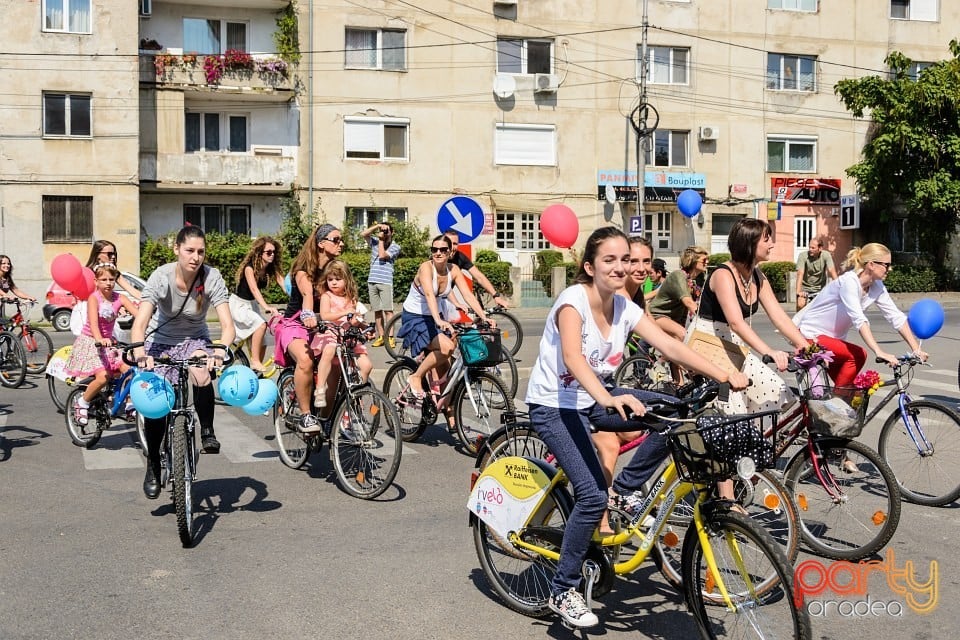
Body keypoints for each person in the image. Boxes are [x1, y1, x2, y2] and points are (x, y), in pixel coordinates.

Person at [524, 226, 748, 629]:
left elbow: (671, 346)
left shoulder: (625, 308)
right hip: (556, 407)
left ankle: (626, 492)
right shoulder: (572, 302)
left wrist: (722, 373)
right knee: (591, 497)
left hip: (595, 397)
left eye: (625, 259)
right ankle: (563, 590)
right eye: (609, 260)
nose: (620, 266)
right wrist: (608, 397)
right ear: (589, 266)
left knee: (676, 412)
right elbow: (574, 359)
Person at [131, 226, 234, 499]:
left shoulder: (211, 277)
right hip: (160, 342)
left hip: (195, 339)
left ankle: (208, 431)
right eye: (190, 250)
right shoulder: (161, 277)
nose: (196, 257)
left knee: (201, 373)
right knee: (157, 407)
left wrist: (219, 351)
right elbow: (140, 322)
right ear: (176, 249)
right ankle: (153, 463)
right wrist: (141, 352)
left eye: (201, 251)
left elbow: (227, 326)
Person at [689, 218, 810, 415]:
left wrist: (806, 346)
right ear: (749, 243)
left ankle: (755, 440)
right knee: (733, 406)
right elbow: (736, 323)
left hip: (733, 345)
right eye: (766, 239)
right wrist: (769, 351)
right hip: (709, 343)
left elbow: (779, 316)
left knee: (776, 391)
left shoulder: (757, 277)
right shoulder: (723, 275)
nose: (772, 244)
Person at [795, 243, 927, 387]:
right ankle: (836, 404)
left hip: (833, 341)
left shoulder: (877, 286)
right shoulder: (849, 282)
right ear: (871, 264)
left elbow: (896, 317)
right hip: (811, 335)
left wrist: (916, 349)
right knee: (858, 355)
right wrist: (879, 351)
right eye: (886, 265)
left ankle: (836, 404)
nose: (890, 269)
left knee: (852, 393)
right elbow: (859, 319)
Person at [398, 234, 493, 403]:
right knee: (447, 347)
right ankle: (416, 376)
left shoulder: (453, 270)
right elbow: (429, 294)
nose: (438, 253)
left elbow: (468, 295)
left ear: (450, 252)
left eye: (443, 249)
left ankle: (449, 415)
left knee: (447, 371)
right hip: (415, 317)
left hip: (435, 316)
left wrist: (484, 317)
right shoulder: (426, 268)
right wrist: (439, 320)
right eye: (434, 249)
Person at [273, 223, 343, 433]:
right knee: (305, 361)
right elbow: (306, 299)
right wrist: (308, 314)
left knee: (337, 363)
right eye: (336, 240)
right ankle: (305, 415)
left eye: (341, 240)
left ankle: (326, 417)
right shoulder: (303, 272)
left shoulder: (334, 270)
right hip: (294, 324)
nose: (341, 244)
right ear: (321, 244)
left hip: (320, 325)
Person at [64, 262, 140, 425]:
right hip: (92, 342)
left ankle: (129, 403)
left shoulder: (120, 298)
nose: (108, 283)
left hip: (109, 343)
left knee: (130, 369)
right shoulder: (94, 298)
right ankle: (82, 403)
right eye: (104, 279)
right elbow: (93, 324)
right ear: (96, 282)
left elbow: (139, 315)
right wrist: (99, 339)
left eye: (111, 279)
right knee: (103, 376)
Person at [311, 259, 373, 405]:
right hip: (331, 333)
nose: (333, 282)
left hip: (347, 336)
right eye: (330, 279)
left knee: (366, 365)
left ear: (347, 279)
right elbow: (325, 315)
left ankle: (355, 393)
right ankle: (320, 389)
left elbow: (353, 320)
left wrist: (363, 326)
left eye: (338, 279)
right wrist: (345, 312)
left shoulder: (351, 298)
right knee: (329, 350)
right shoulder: (327, 296)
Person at [229, 237, 285, 374]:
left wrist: (296, 295)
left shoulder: (270, 268)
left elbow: (283, 283)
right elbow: (254, 289)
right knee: (261, 324)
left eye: (274, 252)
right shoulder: (250, 268)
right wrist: (266, 306)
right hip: (239, 305)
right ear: (260, 253)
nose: (272, 255)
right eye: (268, 252)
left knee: (264, 341)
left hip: (251, 304)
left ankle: (255, 372)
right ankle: (255, 361)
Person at [647, 245, 709, 341]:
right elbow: (688, 302)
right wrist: (705, 319)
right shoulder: (678, 275)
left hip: (672, 319)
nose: (707, 262)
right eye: (704, 260)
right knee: (683, 335)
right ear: (693, 260)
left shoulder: (692, 281)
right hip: (657, 315)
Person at [443, 230, 511, 309]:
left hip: (446, 300)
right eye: (449, 243)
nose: (452, 247)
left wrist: (496, 296)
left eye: (455, 244)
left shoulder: (460, 257)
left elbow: (479, 276)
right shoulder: (437, 258)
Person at [360, 221, 401, 347]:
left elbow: (382, 255)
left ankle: (390, 337)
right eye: (383, 230)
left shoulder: (395, 246)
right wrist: (378, 226)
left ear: (392, 232)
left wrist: (382, 240)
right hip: (372, 280)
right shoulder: (374, 242)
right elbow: (363, 234)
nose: (384, 233)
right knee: (377, 311)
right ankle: (381, 336)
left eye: (386, 230)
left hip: (385, 281)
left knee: (388, 310)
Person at [795, 238, 837, 311]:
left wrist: (838, 288)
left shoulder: (826, 255)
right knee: (800, 305)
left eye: (813, 248)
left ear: (820, 248)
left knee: (825, 310)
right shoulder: (803, 256)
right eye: (809, 247)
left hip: (820, 289)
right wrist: (799, 291)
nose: (810, 249)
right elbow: (800, 273)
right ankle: (797, 322)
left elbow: (832, 271)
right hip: (805, 289)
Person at [621, 236, 653, 308]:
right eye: (633, 261)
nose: (641, 269)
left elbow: (647, 317)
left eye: (646, 261)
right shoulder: (617, 298)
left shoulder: (638, 294)